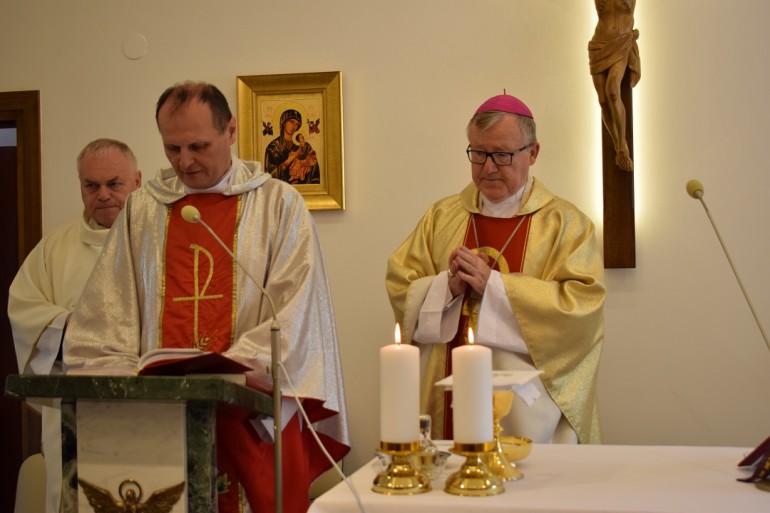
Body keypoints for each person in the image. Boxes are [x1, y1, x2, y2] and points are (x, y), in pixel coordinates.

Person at [63, 81, 349, 513]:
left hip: (252, 417)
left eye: (198, 145)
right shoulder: (143, 210)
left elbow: (295, 313)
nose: (185, 161)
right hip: (157, 421)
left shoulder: (278, 205)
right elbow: (106, 316)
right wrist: (126, 373)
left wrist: (231, 370)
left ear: (230, 131)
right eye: (172, 148)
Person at [386, 94, 605, 445]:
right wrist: (448, 288)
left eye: (502, 155)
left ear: (532, 153)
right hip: (448, 394)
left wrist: (497, 287)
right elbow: (401, 283)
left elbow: (582, 309)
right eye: (478, 153)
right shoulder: (441, 217)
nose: (488, 167)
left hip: (530, 408)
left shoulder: (566, 225)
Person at [8, 138, 142, 513]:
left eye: (114, 183)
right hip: (76, 412)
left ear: (138, 182)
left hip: (150, 408)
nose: (102, 195)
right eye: (91, 185)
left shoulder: (163, 242)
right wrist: (72, 327)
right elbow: (23, 308)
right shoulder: (55, 249)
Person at [588, 0, 640, 172]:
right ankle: (619, 145)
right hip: (598, 45)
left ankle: (621, 147)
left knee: (612, 91)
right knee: (603, 101)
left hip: (621, 42)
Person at [264, 108, 321, 184]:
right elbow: (267, 177)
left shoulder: (304, 146)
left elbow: (315, 173)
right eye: (291, 122)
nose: (294, 126)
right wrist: (288, 161)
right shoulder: (273, 148)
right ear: (283, 122)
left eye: (297, 124)